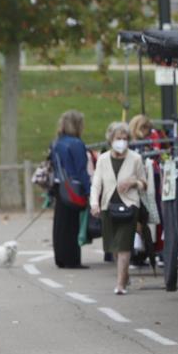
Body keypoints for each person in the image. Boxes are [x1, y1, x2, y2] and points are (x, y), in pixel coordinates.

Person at [90, 122, 147, 295]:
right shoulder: (103, 159)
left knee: (124, 246)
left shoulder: (135, 158)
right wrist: (94, 203)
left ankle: (120, 284)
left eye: (124, 139)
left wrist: (133, 182)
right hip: (109, 206)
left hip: (129, 206)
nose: (121, 142)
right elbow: (96, 184)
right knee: (114, 246)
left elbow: (144, 184)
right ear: (111, 139)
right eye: (118, 138)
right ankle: (124, 274)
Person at [51, 110, 90, 269]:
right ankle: (72, 259)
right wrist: (89, 190)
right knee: (72, 224)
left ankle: (60, 257)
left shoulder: (56, 142)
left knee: (60, 223)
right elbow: (81, 170)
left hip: (59, 184)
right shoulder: (76, 144)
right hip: (73, 186)